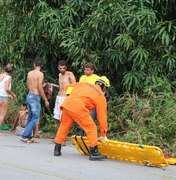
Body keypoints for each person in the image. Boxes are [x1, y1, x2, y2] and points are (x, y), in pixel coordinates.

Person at [54, 76, 110, 161]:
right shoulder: (100, 95)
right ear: (105, 87)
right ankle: (94, 152)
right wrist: (103, 134)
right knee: (92, 128)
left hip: (67, 104)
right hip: (78, 107)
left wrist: (70, 96)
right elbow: (102, 117)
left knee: (64, 126)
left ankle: (57, 149)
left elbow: (68, 87)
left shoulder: (84, 84)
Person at [20, 56, 49, 142]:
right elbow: (39, 87)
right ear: (41, 65)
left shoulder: (29, 73)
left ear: (34, 64)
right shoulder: (40, 74)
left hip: (29, 95)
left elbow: (28, 84)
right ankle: (24, 135)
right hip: (35, 97)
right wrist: (45, 99)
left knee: (30, 116)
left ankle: (28, 136)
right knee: (35, 117)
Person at [76, 62, 100, 136]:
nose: (86, 71)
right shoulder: (82, 77)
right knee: (80, 119)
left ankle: (88, 137)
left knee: (90, 120)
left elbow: (99, 90)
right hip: (82, 102)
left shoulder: (97, 78)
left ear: (92, 71)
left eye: (88, 70)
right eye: (85, 69)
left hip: (92, 103)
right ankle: (79, 136)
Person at [53, 60, 76, 130]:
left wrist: (69, 96)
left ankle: (63, 137)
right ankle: (58, 136)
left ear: (66, 67)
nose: (62, 70)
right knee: (57, 117)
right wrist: (54, 85)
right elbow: (61, 86)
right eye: (60, 68)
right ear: (58, 68)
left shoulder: (69, 74)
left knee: (64, 117)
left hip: (66, 97)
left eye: (63, 68)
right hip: (59, 96)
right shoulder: (59, 75)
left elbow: (74, 85)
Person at [0, 63, 16, 136]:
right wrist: (12, 94)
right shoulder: (8, 77)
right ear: (11, 72)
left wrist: (10, 95)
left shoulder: (0, 75)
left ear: (4, 69)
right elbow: (6, 89)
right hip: (3, 98)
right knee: (2, 115)